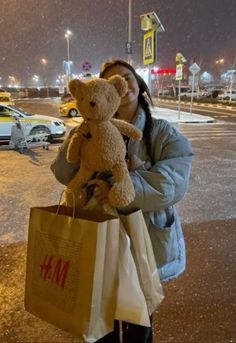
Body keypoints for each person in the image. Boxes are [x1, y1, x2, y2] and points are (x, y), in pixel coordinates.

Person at [50, 58, 193, 343]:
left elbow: (172, 183)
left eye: (127, 76)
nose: (123, 83)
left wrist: (120, 187)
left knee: (137, 322)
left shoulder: (162, 132)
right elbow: (63, 172)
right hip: (97, 236)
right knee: (98, 322)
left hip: (143, 239)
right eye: (113, 79)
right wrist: (80, 133)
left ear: (138, 85)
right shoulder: (87, 130)